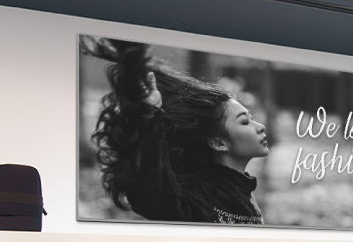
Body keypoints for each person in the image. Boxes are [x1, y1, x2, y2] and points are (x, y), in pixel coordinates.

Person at [83, 37, 269, 224]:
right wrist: (148, 114)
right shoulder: (198, 195)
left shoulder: (242, 192)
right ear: (219, 143)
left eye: (252, 118)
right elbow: (152, 195)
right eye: (245, 121)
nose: (260, 126)